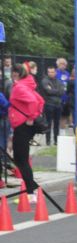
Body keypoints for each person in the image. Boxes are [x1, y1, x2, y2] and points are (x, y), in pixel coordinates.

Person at [8, 63, 44, 202]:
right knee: (22, 159)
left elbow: (35, 102)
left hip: (22, 126)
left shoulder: (19, 87)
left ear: (16, 73)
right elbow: (41, 101)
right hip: (24, 125)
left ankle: (31, 192)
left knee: (20, 159)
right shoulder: (27, 84)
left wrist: (31, 117)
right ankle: (31, 189)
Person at [39, 65, 64, 146]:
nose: (51, 73)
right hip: (49, 104)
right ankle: (48, 141)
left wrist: (52, 90)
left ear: (55, 72)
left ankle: (56, 140)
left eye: (52, 72)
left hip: (58, 105)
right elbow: (47, 91)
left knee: (57, 123)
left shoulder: (59, 81)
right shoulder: (44, 80)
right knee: (48, 123)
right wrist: (56, 91)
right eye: (49, 72)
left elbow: (62, 92)